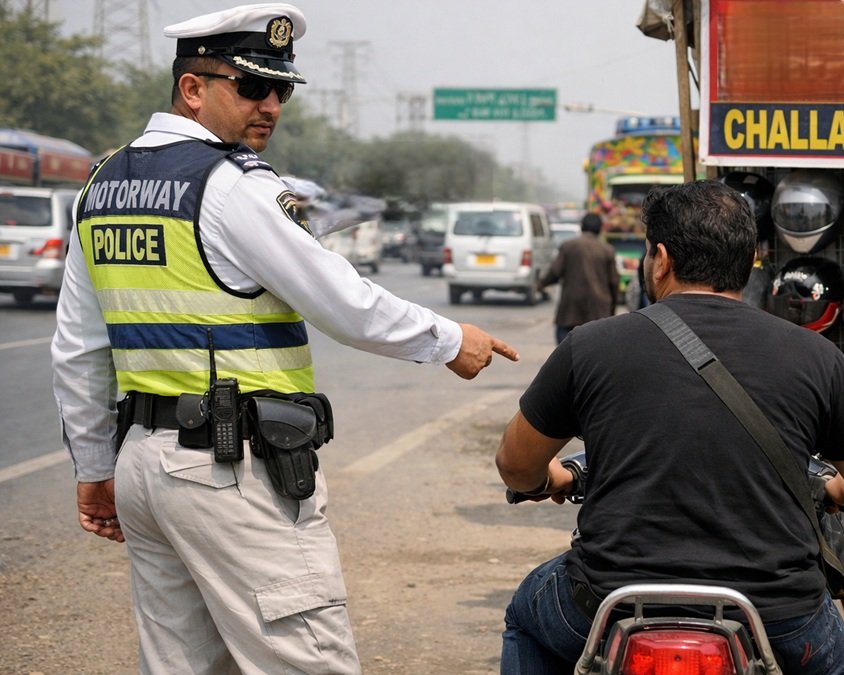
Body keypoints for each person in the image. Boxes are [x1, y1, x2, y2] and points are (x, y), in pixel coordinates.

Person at [50, 4, 517, 673]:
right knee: (309, 661)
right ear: (192, 89)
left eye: (281, 88)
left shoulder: (103, 184)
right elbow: (341, 299)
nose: (269, 104)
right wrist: (448, 339)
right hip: (226, 470)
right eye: (250, 87)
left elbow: (77, 347)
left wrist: (95, 468)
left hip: (146, 467)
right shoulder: (229, 184)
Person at [496, 180, 844, 674]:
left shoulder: (590, 347)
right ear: (747, 260)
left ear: (661, 259)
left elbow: (515, 467)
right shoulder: (814, 355)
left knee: (526, 613)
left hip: (606, 607)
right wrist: (839, 491)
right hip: (778, 618)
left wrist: (550, 479)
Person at [537, 212, 620, 343]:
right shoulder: (607, 250)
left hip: (570, 311)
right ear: (600, 229)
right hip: (598, 312)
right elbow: (614, 283)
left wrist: (540, 284)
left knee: (565, 356)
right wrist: (611, 309)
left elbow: (554, 273)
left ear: (581, 227)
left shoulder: (568, 246)